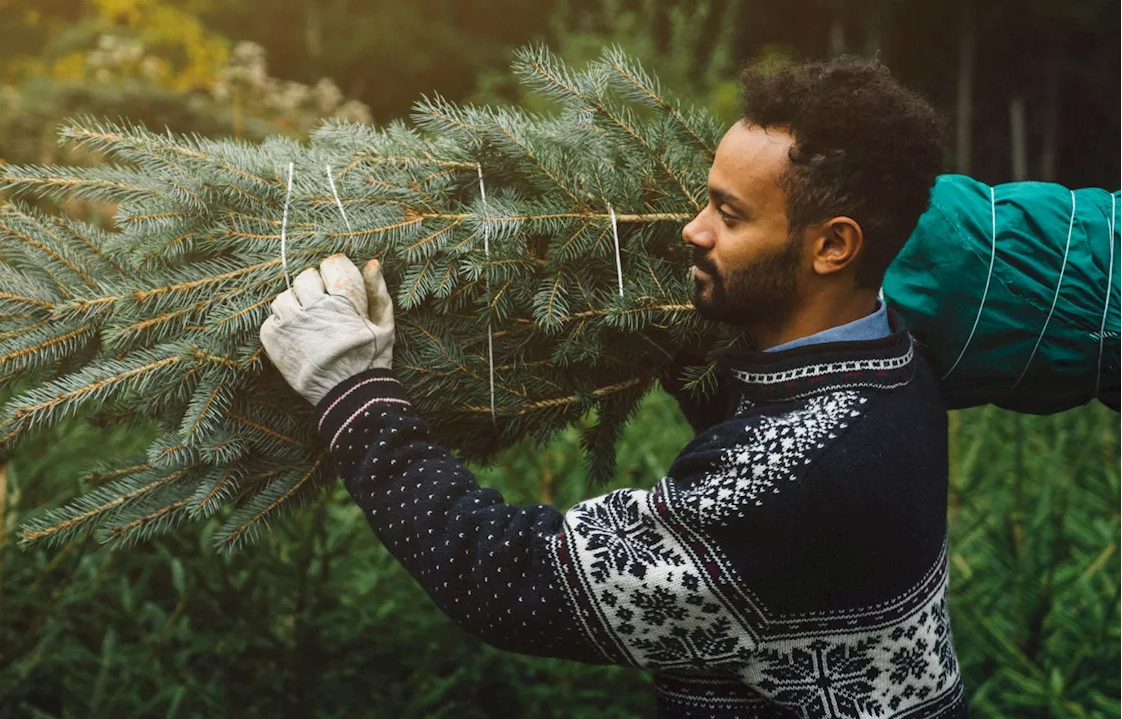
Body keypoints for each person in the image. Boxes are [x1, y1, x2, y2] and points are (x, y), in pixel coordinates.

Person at [258, 56, 966, 718]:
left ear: (833, 246)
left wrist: (351, 385)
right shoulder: (893, 361)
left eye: (731, 214)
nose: (693, 229)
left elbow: (505, 578)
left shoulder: (789, 480)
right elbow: (743, 391)